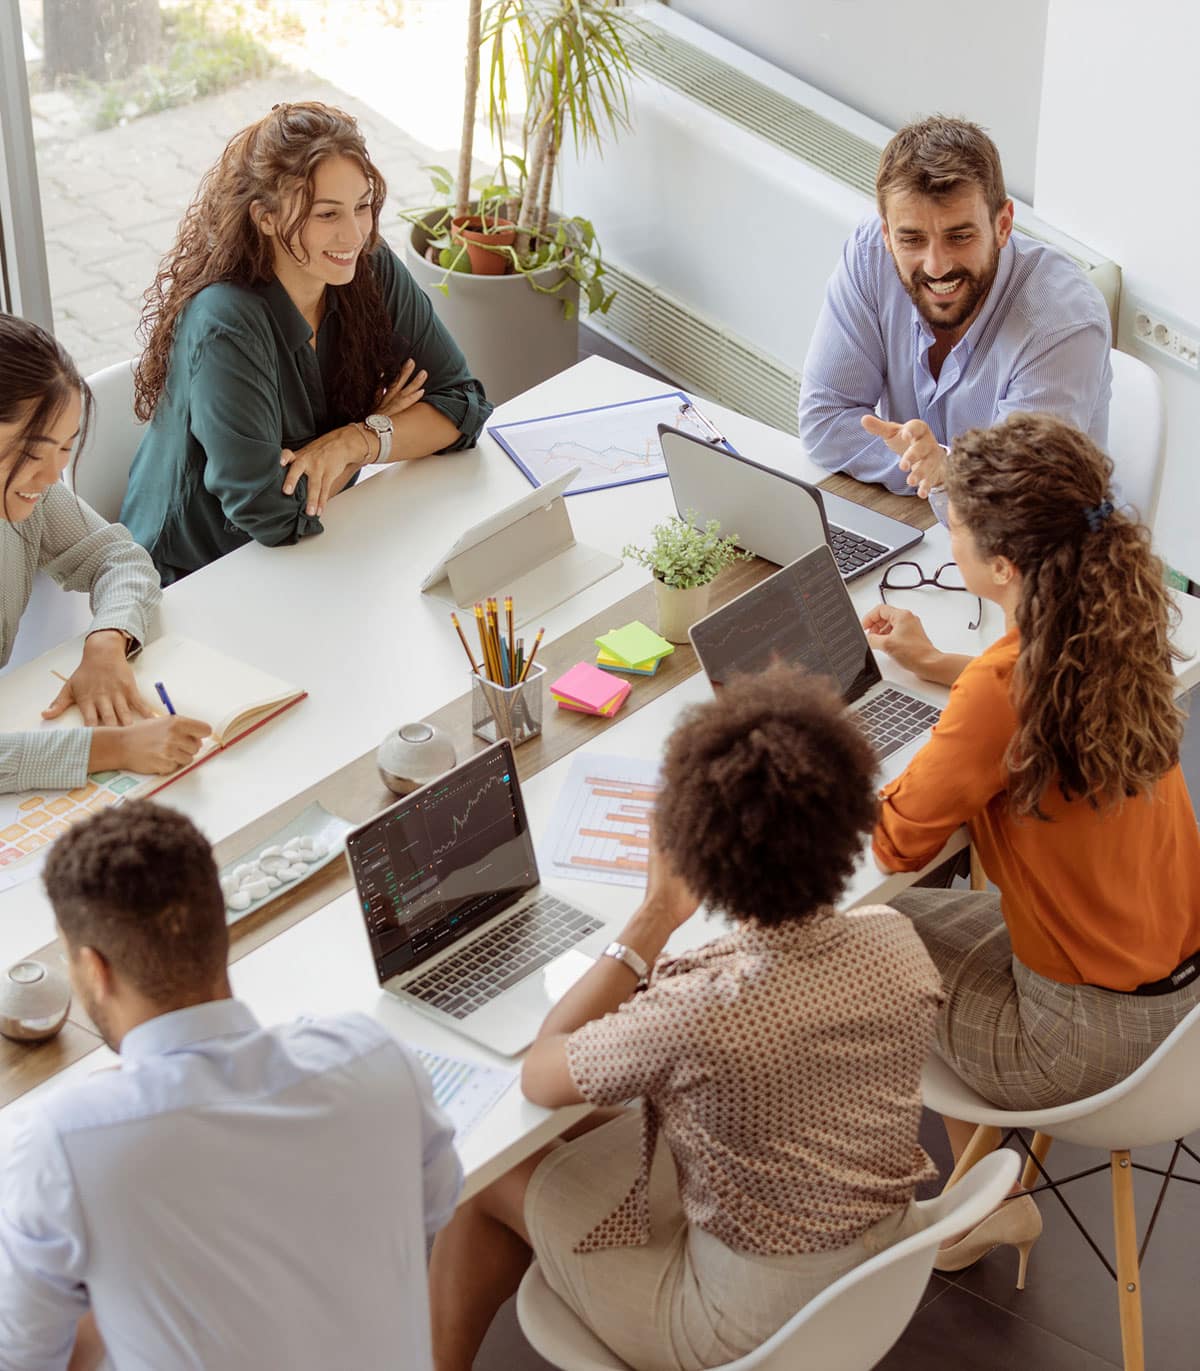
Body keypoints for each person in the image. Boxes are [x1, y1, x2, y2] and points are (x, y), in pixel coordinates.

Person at [428, 665, 942, 1371]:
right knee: (590, 1122)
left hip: (740, 1326)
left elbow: (542, 1071)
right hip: (874, 1271)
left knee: (482, 1175)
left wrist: (656, 914)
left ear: (701, 851)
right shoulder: (894, 937)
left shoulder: (703, 1013)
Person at [867, 412, 1200, 1280]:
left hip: (1079, 1042)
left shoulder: (998, 692)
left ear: (1003, 567)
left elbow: (895, 841)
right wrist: (944, 665)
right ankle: (989, 1195)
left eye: (954, 525)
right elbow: (1024, 694)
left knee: (850, 944)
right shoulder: (1119, 634)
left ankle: (918, 1207)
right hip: (1182, 1008)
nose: (947, 531)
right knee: (938, 912)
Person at [0, 799, 463, 1371]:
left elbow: (25, 1360)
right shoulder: (373, 1056)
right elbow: (434, 1207)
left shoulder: (61, 1144)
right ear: (219, 931)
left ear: (94, 970)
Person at [121, 100, 492, 583]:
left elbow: (463, 407)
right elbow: (272, 515)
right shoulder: (227, 321)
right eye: (326, 214)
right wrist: (383, 427)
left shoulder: (370, 271)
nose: (354, 234)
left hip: (306, 552)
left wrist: (356, 440)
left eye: (361, 206)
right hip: (192, 580)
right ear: (267, 217)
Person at [798, 116, 1112, 499]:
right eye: (912, 239)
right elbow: (826, 420)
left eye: (959, 236)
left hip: (1041, 549)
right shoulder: (870, 253)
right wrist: (942, 475)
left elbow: (1017, 503)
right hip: (931, 528)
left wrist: (950, 473)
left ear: (1003, 225)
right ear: (887, 234)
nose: (936, 266)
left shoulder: (1062, 321)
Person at [0, 315, 209, 792]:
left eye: (65, 450)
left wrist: (107, 641)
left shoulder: (33, 498)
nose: (54, 478)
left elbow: (119, 558)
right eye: (34, 453)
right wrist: (117, 749)